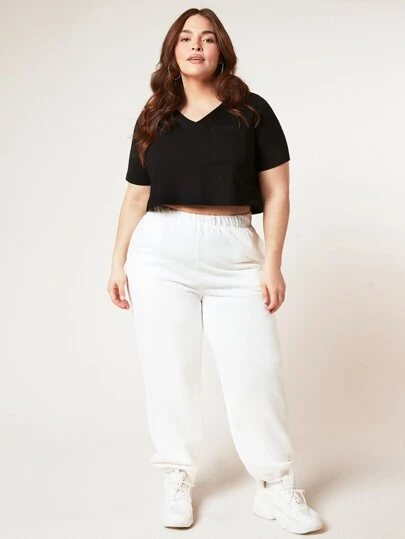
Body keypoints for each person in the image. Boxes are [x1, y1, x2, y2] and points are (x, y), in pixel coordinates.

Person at [108, 7, 323, 535]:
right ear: (173, 51)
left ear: (221, 49)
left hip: (234, 250)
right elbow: (136, 195)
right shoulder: (154, 115)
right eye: (186, 38)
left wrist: (272, 264)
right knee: (169, 369)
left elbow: (277, 193)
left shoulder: (252, 111)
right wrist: (117, 261)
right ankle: (176, 476)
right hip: (161, 249)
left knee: (256, 373)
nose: (196, 46)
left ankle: (274, 486)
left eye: (207, 38)